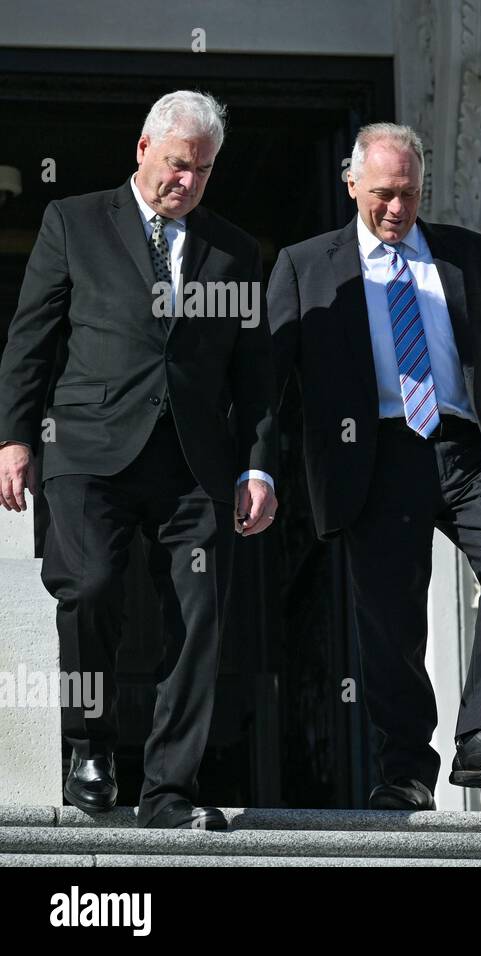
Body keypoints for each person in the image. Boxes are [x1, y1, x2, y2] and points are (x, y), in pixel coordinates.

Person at [0, 90, 277, 829]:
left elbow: (256, 379)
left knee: (199, 614)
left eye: (203, 170)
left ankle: (168, 790)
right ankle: (91, 745)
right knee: (89, 586)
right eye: (178, 164)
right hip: (89, 450)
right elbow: (30, 338)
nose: (186, 181)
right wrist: (15, 437)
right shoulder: (74, 222)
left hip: (193, 463)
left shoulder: (234, 250)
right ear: (144, 148)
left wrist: (257, 467)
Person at [268, 123, 481, 811]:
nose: (397, 209)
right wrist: (256, 471)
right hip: (374, 453)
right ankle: (406, 773)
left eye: (411, 195)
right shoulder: (306, 265)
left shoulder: (468, 256)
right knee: (392, 622)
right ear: (352, 183)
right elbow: (269, 381)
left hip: (464, 448)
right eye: (384, 194)